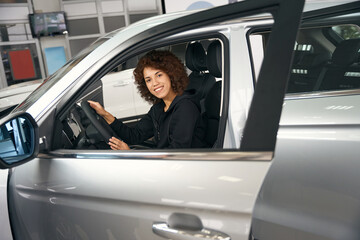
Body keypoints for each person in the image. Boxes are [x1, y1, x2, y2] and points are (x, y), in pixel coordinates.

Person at [89, 50, 206, 150]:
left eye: (159, 75)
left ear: (171, 75)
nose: (155, 83)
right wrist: (104, 114)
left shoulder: (186, 107)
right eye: (148, 80)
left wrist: (131, 154)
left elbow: (176, 155)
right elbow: (134, 135)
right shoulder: (159, 108)